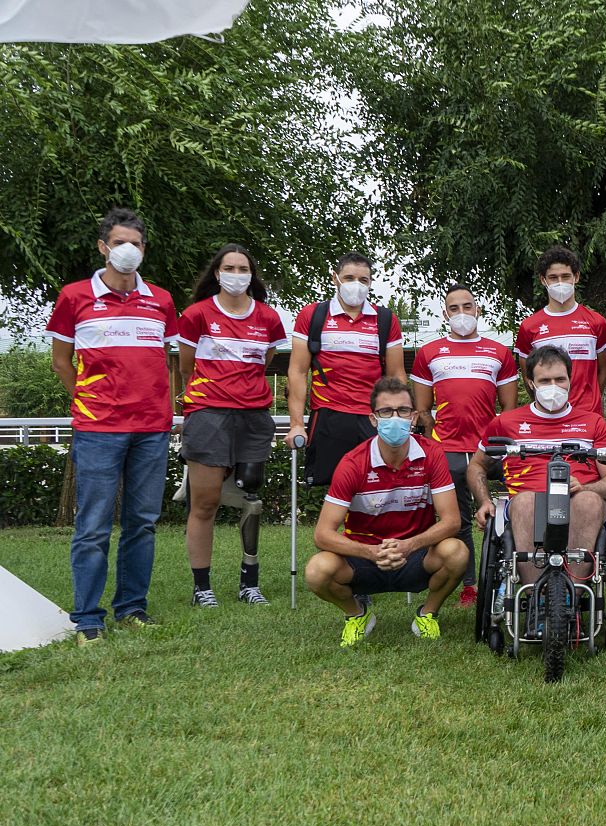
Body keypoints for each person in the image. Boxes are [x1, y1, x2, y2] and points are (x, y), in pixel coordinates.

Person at [46, 208, 178, 644]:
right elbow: (62, 361)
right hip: (98, 428)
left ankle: (131, 608)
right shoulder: (74, 297)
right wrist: (86, 397)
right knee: (94, 526)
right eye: (119, 242)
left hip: (152, 428)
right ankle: (87, 619)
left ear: (144, 249)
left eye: (136, 244)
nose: (128, 251)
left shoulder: (161, 299)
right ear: (103, 246)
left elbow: (167, 358)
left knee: (142, 522)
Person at [304, 377, 470, 647]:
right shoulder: (352, 463)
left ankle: (428, 614)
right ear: (373, 419)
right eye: (386, 412)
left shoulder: (432, 454)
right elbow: (322, 535)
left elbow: (452, 521)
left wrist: (408, 545)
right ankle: (356, 614)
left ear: (414, 416)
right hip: (365, 557)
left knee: (457, 552)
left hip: (415, 554)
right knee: (317, 571)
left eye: (403, 411)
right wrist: (371, 552)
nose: (395, 418)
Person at [175, 243, 288, 608]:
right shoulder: (196, 314)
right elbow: (187, 367)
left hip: (253, 417)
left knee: (251, 499)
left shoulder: (269, 318)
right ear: (217, 273)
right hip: (208, 414)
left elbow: (266, 360)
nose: (237, 275)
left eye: (244, 269)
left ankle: (249, 584)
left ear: (252, 275)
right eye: (230, 268)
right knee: (204, 503)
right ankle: (201, 588)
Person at [467, 347, 606, 592]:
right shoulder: (506, 423)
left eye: (560, 379)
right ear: (531, 383)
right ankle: (534, 594)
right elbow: (477, 464)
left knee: (590, 501)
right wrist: (484, 500)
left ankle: (573, 592)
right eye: (545, 380)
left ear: (570, 380)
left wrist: (586, 487)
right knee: (526, 502)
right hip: (526, 500)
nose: (554, 386)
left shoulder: (593, 423)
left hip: (578, 499)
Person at [412, 285, 518, 607]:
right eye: (454, 308)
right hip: (448, 449)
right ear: (445, 314)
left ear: (478, 311)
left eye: (467, 307)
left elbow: (510, 413)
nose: (461, 314)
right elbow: (423, 413)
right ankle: (469, 585)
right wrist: (435, 444)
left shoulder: (499, 353)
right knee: (455, 520)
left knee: (517, 508)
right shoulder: (428, 353)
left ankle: (511, 573)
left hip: (491, 449)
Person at [285, 252, 405, 487]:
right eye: (348, 278)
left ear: (370, 283)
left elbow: (396, 376)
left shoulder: (385, 319)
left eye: (363, 280)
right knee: (333, 488)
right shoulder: (313, 315)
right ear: (335, 278)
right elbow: (297, 373)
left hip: (372, 417)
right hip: (329, 415)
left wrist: (399, 416)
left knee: (376, 487)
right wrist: (296, 424)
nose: (356, 285)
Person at [513, 246, 606, 416]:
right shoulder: (529, 326)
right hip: (547, 415)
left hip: (587, 414)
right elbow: (527, 376)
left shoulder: (596, 322)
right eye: (553, 277)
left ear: (576, 277)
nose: (560, 282)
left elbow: (604, 370)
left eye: (565, 276)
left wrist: (591, 397)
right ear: (543, 280)